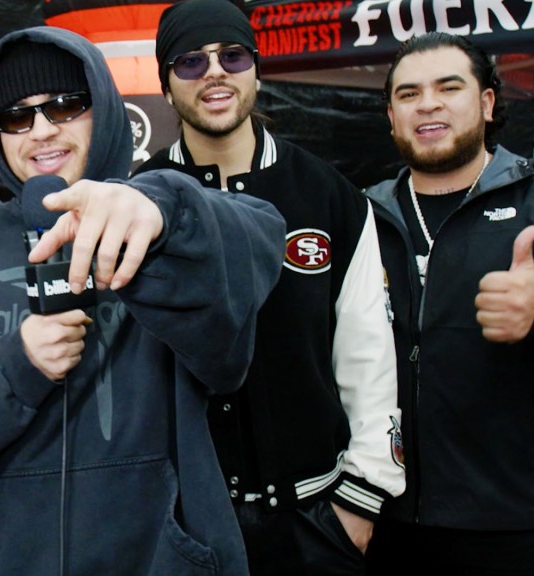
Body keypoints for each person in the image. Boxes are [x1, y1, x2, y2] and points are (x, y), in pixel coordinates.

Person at [0, 26, 286, 575]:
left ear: (102, 108)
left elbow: (256, 242)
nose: (41, 131)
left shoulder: (160, 222)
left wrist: (160, 211)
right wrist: (14, 365)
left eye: (65, 105)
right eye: (16, 116)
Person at [133, 1, 405, 574]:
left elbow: (368, 351)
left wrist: (360, 501)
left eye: (232, 56)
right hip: (185, 521)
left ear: (256, 70)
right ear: (165, 84)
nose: (214, 72)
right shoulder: (139, 198)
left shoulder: (327, 194)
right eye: (190, 61)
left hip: (314, 516)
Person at [363, 32, 534, 575]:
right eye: (409, 94)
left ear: (487, 103)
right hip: (384, 522)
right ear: (392, 117)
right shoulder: (363, 217)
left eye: (449, 87)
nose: (428, 104)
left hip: (517, 524)